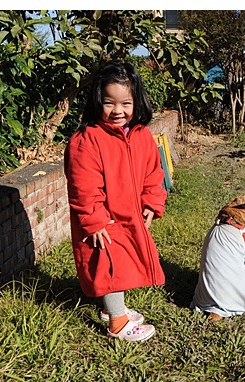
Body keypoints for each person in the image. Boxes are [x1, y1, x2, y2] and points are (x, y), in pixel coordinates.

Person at [64, 60, 167, 342]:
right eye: (109, 103)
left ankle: (113, 309)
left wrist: (151, 202)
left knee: (123, 263)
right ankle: (118, 323)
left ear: (137, 102)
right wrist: (94, 220)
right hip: (104, 218)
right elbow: (83, 186)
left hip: (130, 213)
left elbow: (153, 174)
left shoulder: (142, 136)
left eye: (126, 103)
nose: (118, 111)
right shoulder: (87, 140)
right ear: (98, 100)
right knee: (111, 265)